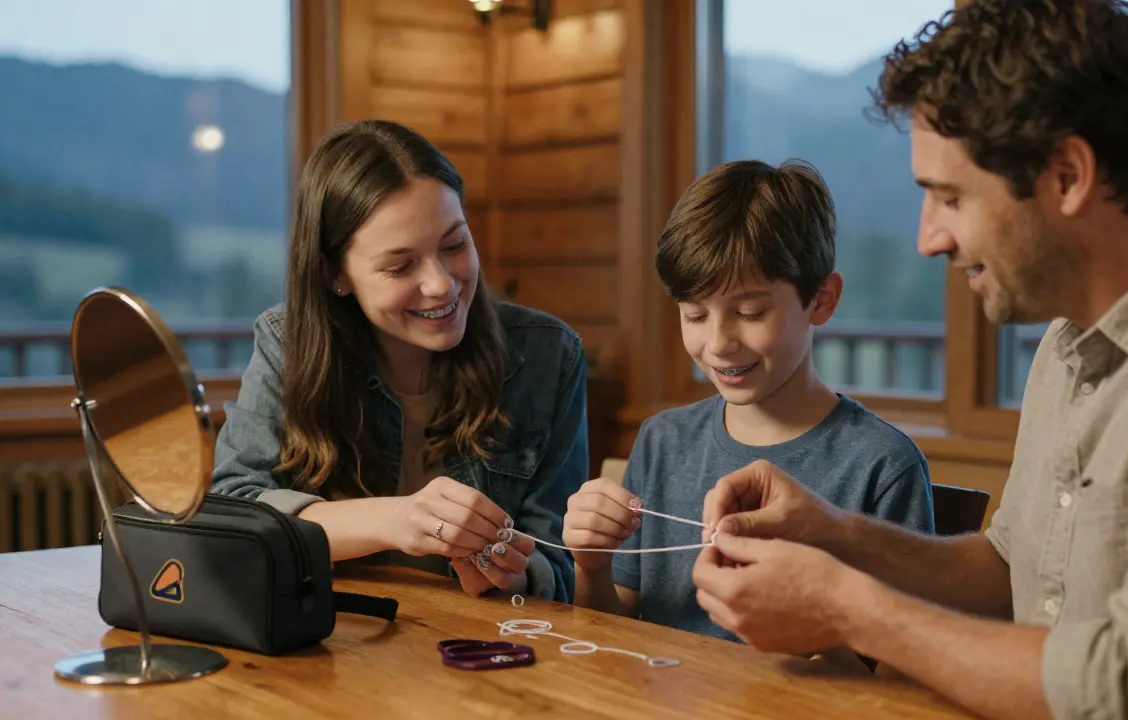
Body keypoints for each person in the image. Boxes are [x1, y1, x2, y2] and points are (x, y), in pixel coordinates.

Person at [691, 1, 1128, 718]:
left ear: (1067, 175)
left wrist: (849, 611)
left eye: (948, 196)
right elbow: (1011, 574)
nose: (928, 238)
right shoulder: (1067, 347)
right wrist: (833, 532)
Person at [210, 120, 589, 603]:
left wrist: (507, 573)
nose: (441, 285)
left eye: (454, 245)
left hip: (483, 649)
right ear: (335, 275)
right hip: (331, 638)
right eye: (400, 266)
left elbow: (560, 561)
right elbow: (232, 511)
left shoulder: (549, 355)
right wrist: (394, 520)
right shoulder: (289, 344)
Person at [562, 159, 935, 642]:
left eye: (749, 312)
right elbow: (612, 639)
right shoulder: (662, 442)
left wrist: (805, 625)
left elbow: (894, 682)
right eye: (695, 315)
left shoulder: (880, 467)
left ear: (822, 299)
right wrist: (591, 566)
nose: (718, 343)